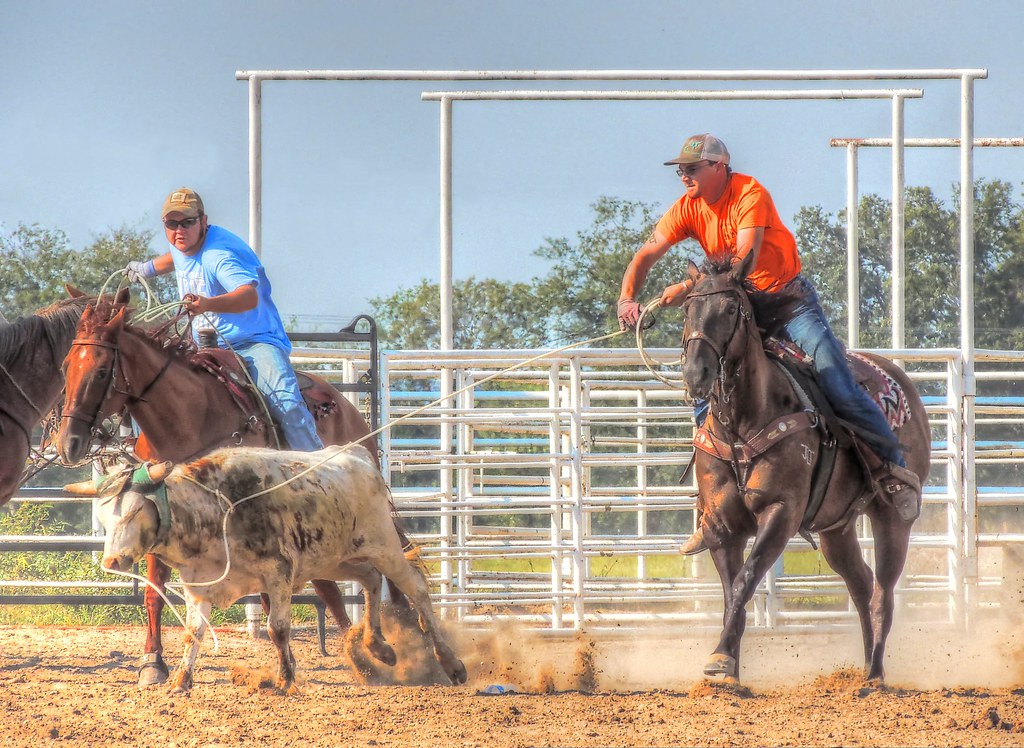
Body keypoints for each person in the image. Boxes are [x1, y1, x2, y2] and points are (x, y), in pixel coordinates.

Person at [616, 133, 921, 555]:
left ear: (719, 166)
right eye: (681, 169)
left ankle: (893, 469)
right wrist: (627, 298)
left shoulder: (749, 194)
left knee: (835, 379)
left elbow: (745, 260)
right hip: (739, 307)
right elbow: (647, 253)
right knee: (706, 389)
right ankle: (712, 507)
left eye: (692, 167)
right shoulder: (688, 208)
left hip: (788, 303)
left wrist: (687, 287)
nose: (684, 175)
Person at [125, 187, 323, 452]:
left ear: (203, 222)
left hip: (252, 343)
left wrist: (207, 304)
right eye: (172, 224)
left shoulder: (219, 256)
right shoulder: (185, 243)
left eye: (187, 222)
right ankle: (132, 450)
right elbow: (176, 257)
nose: (179, 230)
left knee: (284, 400)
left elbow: (248, 297)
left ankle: (314, 468)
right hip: (203, 343)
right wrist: (146, 269)